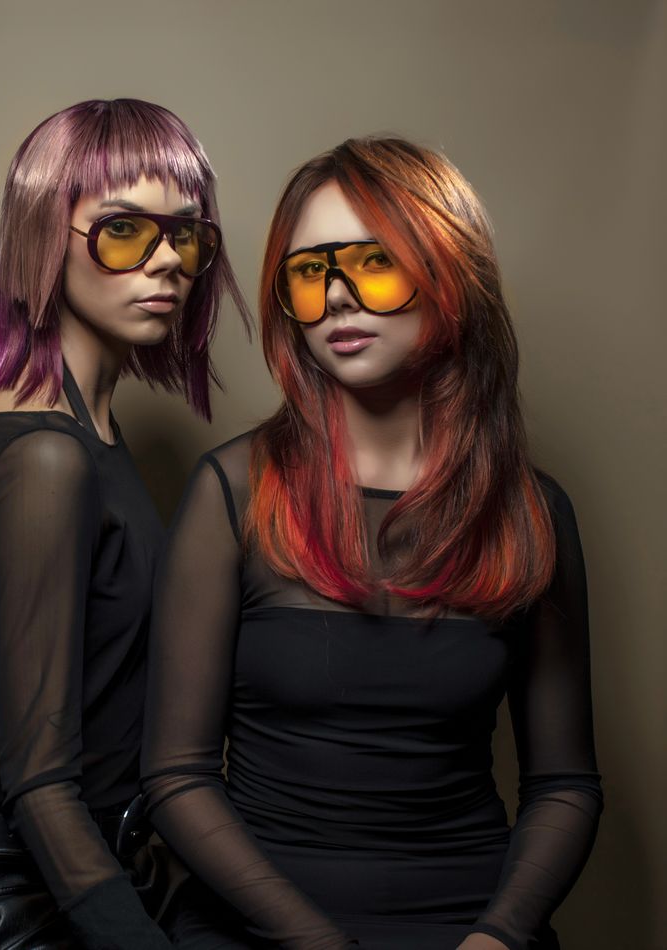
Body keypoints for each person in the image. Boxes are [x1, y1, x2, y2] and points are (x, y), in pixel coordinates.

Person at [141, 137, 602, 950]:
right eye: (309, 273)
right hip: (261, 929)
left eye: (373, 263)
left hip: (468, 925)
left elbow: (564, 785)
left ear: (448, 275)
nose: (337, 298)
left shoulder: (532, 512)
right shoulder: (232, 493)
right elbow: (177, 776)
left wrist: (498, 937)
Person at [0, 98, 249, 949]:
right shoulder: (44, 457)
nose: (166, 261)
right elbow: (38, 787)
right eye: (123, 231)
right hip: (12, 897)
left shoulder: (84, 434)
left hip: (72, 871)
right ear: (42, 238)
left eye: (186, 235)